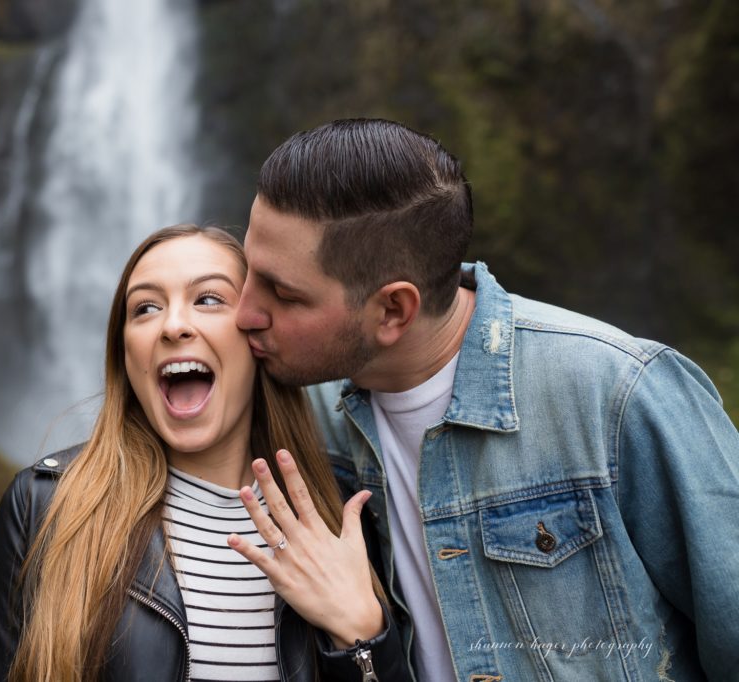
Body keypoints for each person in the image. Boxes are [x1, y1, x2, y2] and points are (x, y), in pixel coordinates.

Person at [235, 118, 739, 681]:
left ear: (393, 310)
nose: (243, 313)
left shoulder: (620, 394)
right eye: (247, 271)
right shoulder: (303, 414)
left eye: (283, 294)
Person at [0, 224, 407, 682]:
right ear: (125, 353)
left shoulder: (341, 521)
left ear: (258, 338)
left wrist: (363, 635)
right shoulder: (43, 508)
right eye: (146, 308)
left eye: (208, 299)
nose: (173, 326)